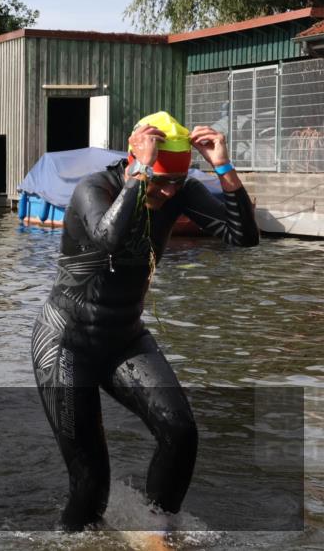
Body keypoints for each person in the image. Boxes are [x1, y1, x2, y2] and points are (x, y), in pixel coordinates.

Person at [31, 111, 259, 533]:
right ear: (137, 162)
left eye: (177, 182)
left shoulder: (178, 191)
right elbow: (109, 239)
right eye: (162, 181)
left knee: (180, 431)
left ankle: (157, 529)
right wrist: (140, 175)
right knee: (91, 483)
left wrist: (223, 167)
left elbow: (243, 236)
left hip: (124, 337)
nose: (169, 191)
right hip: (67, 342)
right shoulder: (94, 189)